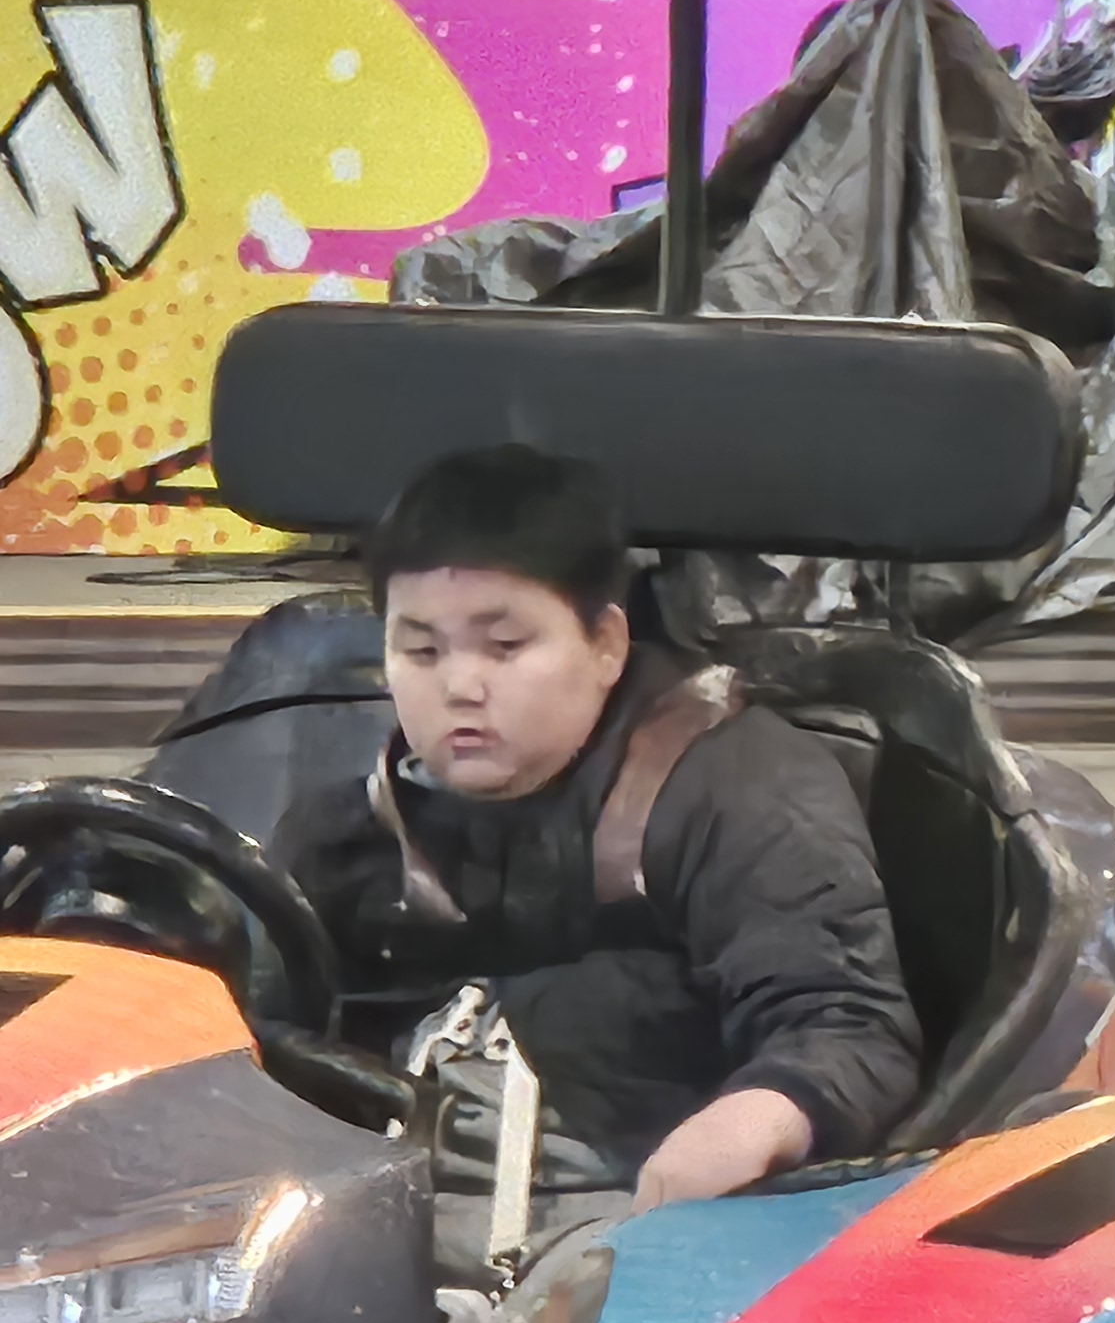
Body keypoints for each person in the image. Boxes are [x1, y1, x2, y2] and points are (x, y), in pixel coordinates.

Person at [280, 445, 923, 1211]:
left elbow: (849, 1024)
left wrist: (760, 1117)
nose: (459, 685)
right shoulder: (348, 829)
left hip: (647, 1212)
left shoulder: (740, 791)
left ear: (606, 645)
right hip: (381, 1202)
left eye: (505, 646)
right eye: (420, 649)